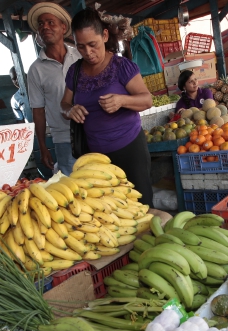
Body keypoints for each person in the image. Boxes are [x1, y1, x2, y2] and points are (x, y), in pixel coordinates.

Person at [61, 8, 154, 207]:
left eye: (92, 45)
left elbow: (147, 100)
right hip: (95, 158)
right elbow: (64, 104)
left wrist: (122, 100)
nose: (88, 52)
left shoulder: (121, 66)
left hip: (130, 150)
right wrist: (70, 111)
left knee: (142, 206)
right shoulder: (74, 71)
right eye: (81, 46)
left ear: (104, 36)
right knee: (108, 212)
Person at [27, 2, 82, 175]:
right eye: (41, 24)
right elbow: (38, 111)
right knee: (72, 190)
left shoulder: (80, 55)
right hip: (63, 139)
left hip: (93, 132)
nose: (45, 27)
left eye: (51, 22)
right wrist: (43, 147)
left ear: (63, 27)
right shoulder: (36, 69)